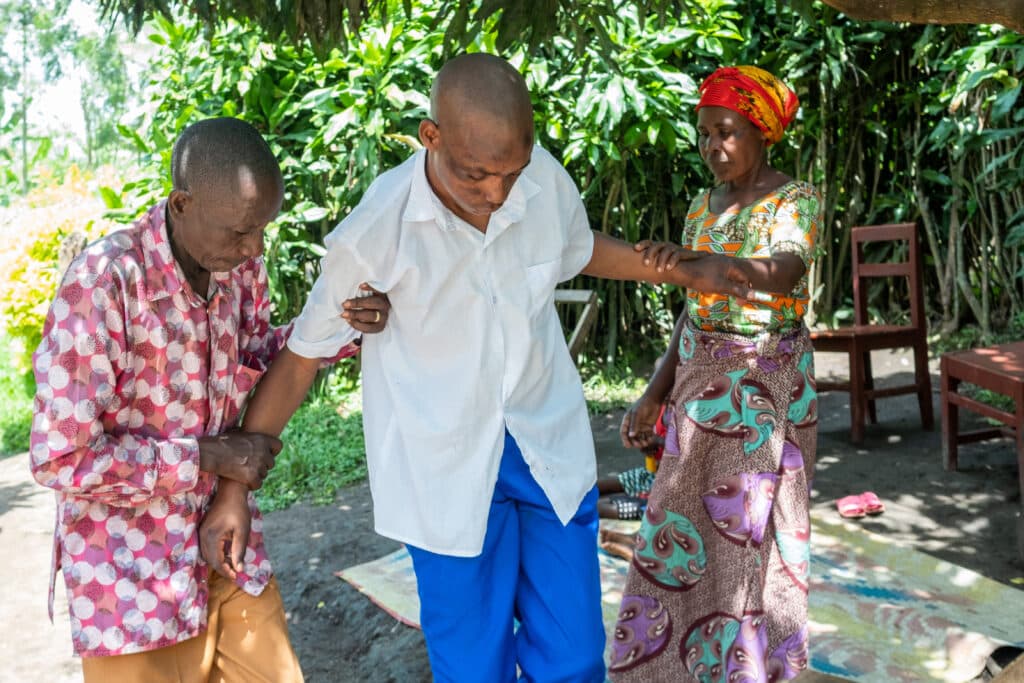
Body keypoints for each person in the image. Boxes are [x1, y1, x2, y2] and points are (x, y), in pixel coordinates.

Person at [199, 54, 755, 683]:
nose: (496, 194)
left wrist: (682, 268)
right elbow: (302, 358)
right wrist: (234, 488)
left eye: (510, 174)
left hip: (546, 447)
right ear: (429, 137)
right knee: (472, 664)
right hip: (444, 468)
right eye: (476, 175)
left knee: (573, 653)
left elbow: (575, 246)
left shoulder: (540, 179)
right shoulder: (375, 232)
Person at [28, 117, 391, 683]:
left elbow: (261, 353)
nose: (254, 249)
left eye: (263, 230)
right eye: (239, 232)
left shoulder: (238, 273)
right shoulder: (103, 285)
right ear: (181, 204)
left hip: (226, 542)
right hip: (130, 583)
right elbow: (60, 457)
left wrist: (345, 329)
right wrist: (204, 455)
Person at [607, 66, 820, 681]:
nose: (712, 147)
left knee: (752, 534)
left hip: (765, 386)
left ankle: (749, 667)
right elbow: (693, 308)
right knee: (676, 522)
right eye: (703, 134)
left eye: (726, 132)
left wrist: (704, 264)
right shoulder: (704, 206)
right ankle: (669, 664)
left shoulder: (793, 199)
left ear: (763, 131)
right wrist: (655, 391)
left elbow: (784, 272)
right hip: (701, 383)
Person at [597, 403, 672, 520]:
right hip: (652, 475)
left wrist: (658, 441)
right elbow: (655, 453)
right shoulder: (659, 409)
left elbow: (688, 452)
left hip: (670, 492)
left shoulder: (688, 413)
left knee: (601, 508)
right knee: (596, 489)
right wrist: (645, 445)